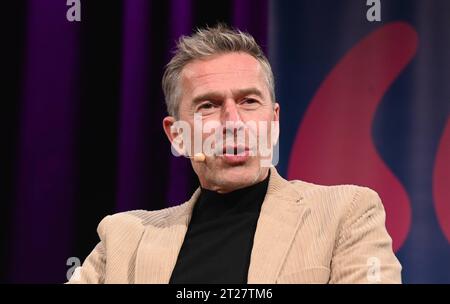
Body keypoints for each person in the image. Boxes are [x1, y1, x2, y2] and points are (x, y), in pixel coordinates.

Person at [68, 24, 401, 284]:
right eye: (209, 105)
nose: (233, 122)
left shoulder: (346, 213)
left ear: (274, 120)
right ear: (177, 135)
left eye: (248, 101)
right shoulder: (124, 236)